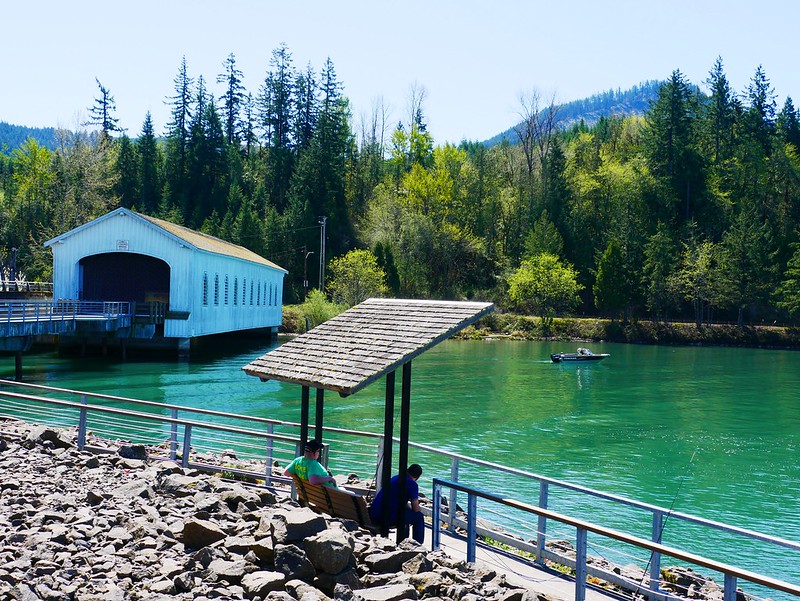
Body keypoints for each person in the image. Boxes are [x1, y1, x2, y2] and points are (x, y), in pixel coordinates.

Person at [369, 463, 425, 544]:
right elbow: (415, 508)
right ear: (417, 477)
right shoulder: (412, 484)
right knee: (419, 517)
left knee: (405, 514)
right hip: (385, 518)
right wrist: (419, 509)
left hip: (374, 514)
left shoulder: (396, 477)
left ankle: (403, 541)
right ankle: (418, 544)